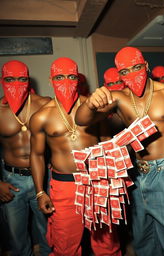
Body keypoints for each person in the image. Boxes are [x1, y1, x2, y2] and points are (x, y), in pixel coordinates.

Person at [75, 46, 164, 256]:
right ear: (119, 74)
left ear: (146, 66)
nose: (131, 75)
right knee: (144, 240)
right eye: (125, 71)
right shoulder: (118, 98)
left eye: (136, 67)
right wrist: (91, 104)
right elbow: (81, 120)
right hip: (135, 172)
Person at [30, 57, 121, 256]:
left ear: (78, 79)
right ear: (50, 79)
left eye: (71, 76)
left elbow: (107, 142)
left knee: (107, 244)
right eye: (59, 77)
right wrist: (39, 192)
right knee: (65, 246)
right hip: (64, 186)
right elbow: (36, 155)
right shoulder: (41, 116)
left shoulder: (94, 107)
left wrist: (113, 179)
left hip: (97, 181)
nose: (66, 81)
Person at [0, 60, 51, 256]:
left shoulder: (44, 104)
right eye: (10, 79)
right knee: (17, 238)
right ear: (2, 81)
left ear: (28, 80)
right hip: (12, 180)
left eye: (22, 79)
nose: (16, 83)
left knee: (48, 234)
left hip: (43, 177)